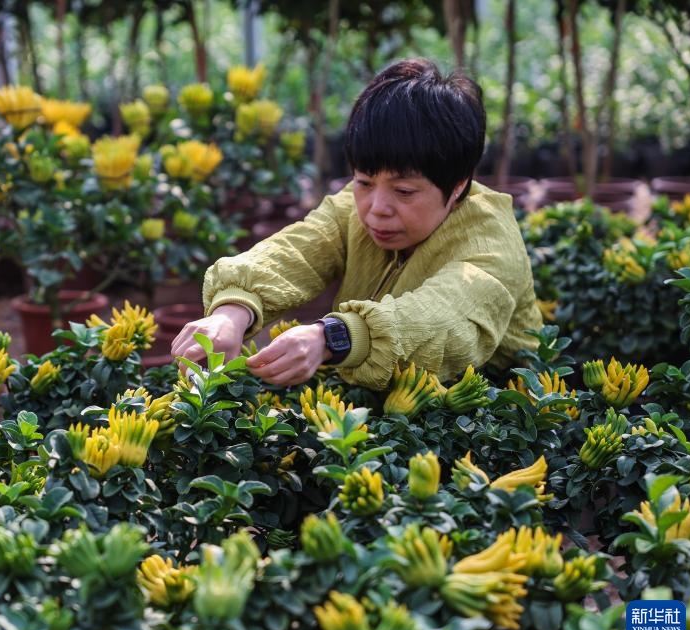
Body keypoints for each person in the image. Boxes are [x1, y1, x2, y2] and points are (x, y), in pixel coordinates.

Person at [170, 58, 542, 389]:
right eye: (364, 181)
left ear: (458, 185)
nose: (376, 208)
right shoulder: (355, 206)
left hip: (491, 432)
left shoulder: (490, 243)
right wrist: (231, 313)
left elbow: (443, 320)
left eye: (404, 191)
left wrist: (331, 338)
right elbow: (300, 249)